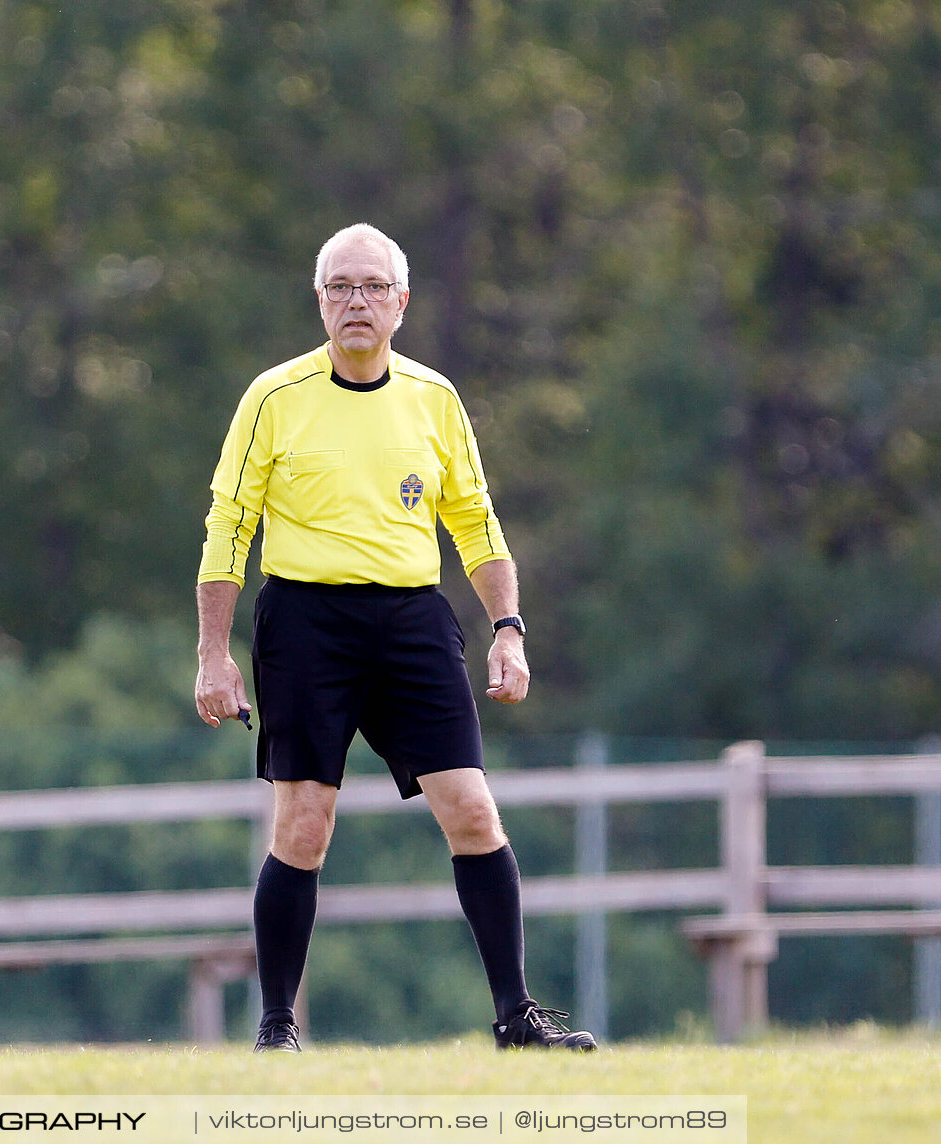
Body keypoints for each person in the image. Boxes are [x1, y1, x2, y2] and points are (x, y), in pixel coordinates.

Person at [193, 223, 596, 1054]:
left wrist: (509, 631)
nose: (356, 302)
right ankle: (276, 1030)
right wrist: (212, 653)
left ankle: (516, 1018)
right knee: (303, 824)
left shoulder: (434, 399)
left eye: (373, 287)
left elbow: (476, 525)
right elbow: (227, 529)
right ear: (319, 301)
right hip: (305, 622)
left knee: (474, 812)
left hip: (412, 621)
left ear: (402, 303)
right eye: (340, 287)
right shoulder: (273, 397)